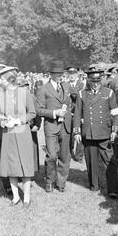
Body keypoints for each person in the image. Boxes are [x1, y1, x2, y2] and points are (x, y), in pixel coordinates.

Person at [73, 67, 118, 197]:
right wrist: (76, 132)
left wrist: (114, 130)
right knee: (91, 162)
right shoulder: (82, 94)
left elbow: (115, 113)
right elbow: (77, 114)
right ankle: (94, 186)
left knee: (110, 161)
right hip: (89, 133)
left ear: (101, 80)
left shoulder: (109, 92)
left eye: (98, 80)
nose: (95, 83)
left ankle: (113, 190)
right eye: (93, 80)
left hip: (105, 132)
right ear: (88, 80)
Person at [0, 67, 36, 207]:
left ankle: (26, 197)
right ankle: (15, 197)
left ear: (10, 79)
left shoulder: (24, 93)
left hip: (22, 133)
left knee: (25, 164)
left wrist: (19, 120)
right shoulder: (0, 95)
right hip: (8, 134)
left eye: (1, 78)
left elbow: (32, 113)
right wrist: (2, 121)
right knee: (11, 165)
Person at [36, 61, 72, 193]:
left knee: (64, 156)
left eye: (61, 74)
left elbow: (71, 102)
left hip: (65, 126)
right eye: (56, 74)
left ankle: (61, 183)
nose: (59, 76)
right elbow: (38, 110)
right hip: (51, 126)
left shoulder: (66, 87)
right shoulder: (43, 89)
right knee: (51, 156)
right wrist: (54, 113)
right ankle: (50, 181)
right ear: (50, 74)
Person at [66, 67, 85, 163]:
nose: (71, 76)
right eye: (70, 74)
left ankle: (79, 156)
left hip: (78, 113)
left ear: (77, 74)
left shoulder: (82, 85)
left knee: (79, 134)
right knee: (68, 134)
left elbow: (83, 100)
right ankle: (68, 153)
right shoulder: (65, 85)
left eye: (73, 74)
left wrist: (82, 115)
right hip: (68, 113)